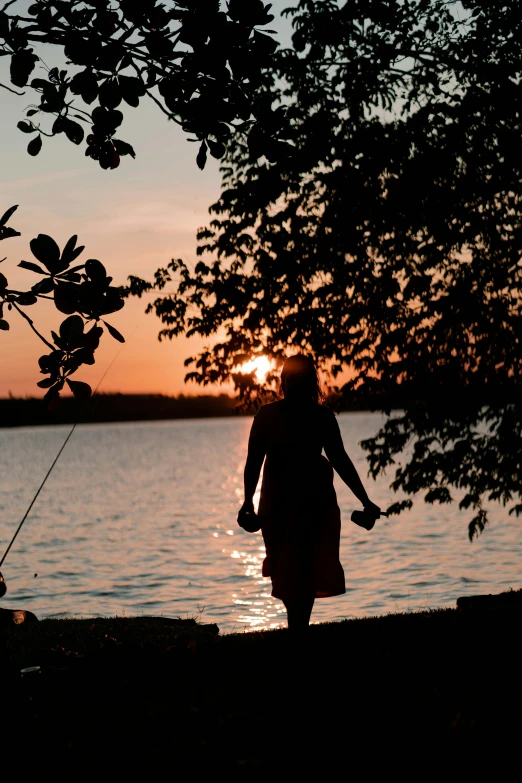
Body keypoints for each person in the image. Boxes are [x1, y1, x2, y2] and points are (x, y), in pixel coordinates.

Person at [238, 354, 381, 631]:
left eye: (299, 379)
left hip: (313, 504)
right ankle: (298, 630)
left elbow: (340, 458)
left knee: (300, 569)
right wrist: (247, 503)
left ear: (310, 382)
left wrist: (365, 499)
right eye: (289, 379)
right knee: (284, 570)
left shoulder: (322, 416)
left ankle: (298, 633)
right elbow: (253, 461)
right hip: (276, 506)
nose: (293, 385)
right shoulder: (266, 416)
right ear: (282, 382)